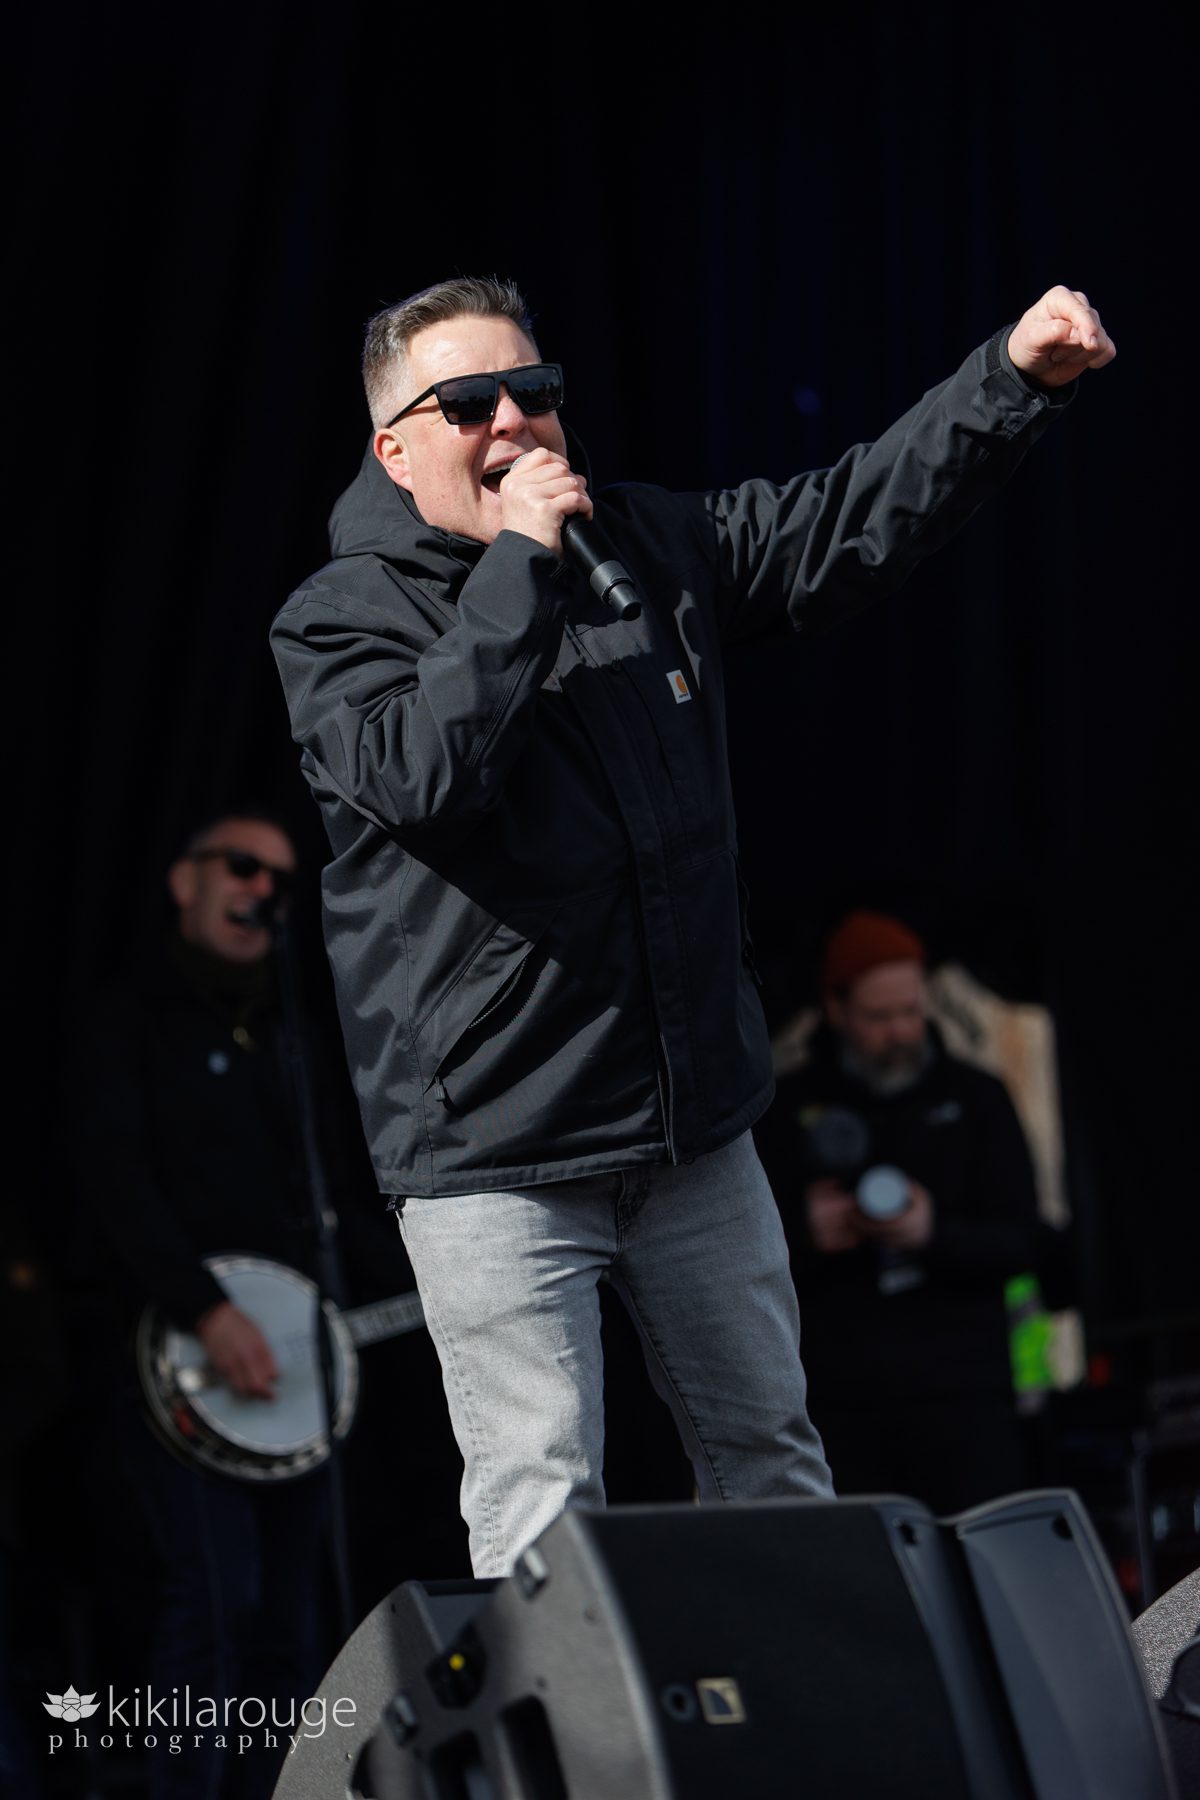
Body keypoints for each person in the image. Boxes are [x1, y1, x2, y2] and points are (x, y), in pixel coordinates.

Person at [269, 275, 1114, 1576]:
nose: (517, 425)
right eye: (473, 403)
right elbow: (422, 777)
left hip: (692, 1134)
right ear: (396, 445)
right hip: (496, 1154)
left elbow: (847, 519)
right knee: (544, 1503)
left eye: (536, 394)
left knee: (774, 1460)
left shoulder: (644, 548)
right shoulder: (339, 620)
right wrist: (517, 575)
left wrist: (1010, 378)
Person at [72, 813, 329, 1800]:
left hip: (298, 1369)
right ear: (185, 880)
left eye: (281, 877)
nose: (263, 887)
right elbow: (111, 1178)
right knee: (216, 1601)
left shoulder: (290, 1035)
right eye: (242, 864)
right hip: (174, 1361)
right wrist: (203, 1304)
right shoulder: (126, 1016)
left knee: (290, 1620)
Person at [755, 909, 1042, 1513]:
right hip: (844, 1398)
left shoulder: (977, 1098)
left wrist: (932, 1233)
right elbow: (735, 1255)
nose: (901, 1031)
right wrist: (805, 1233)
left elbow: (1025, 1240)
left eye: (911, 1011)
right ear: (836, 1011)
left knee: (981, 1560)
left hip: (965, 1393)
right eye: (880, 1017)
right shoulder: (787, 1107)